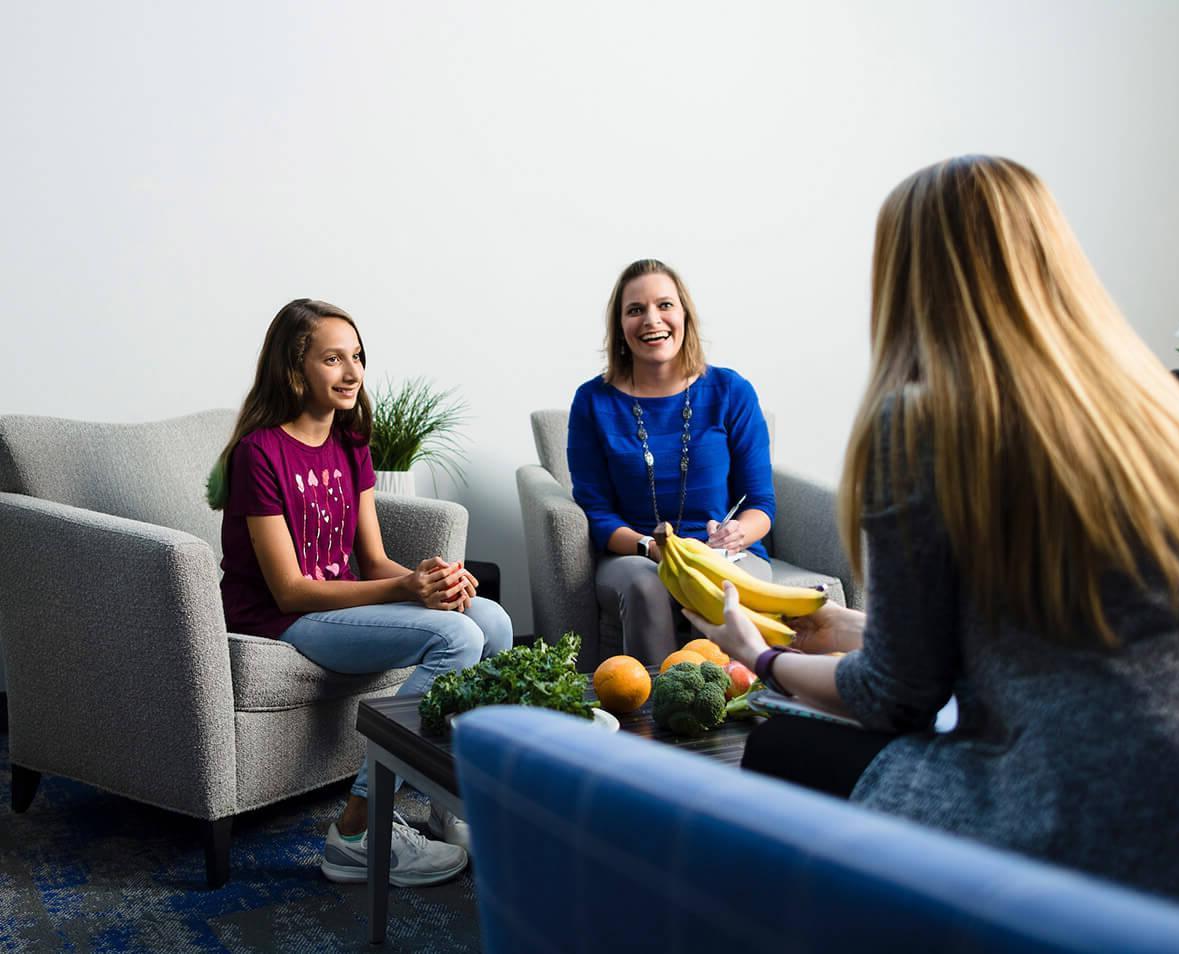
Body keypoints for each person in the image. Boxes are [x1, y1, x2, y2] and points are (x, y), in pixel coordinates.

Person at [687, 156, 1179, 923]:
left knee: (776, 749)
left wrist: (760, 656)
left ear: (906, 279)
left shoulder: (924, 425)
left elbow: (898, 700)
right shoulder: (1168, 404)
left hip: (1110, 825)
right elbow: (1067, 629)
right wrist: (851, 628)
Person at [208, 298, 512, 887]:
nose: (352, 374)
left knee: (492, 621)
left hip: (335, 603)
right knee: (455, 637)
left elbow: (371, 559)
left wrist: (432, 581)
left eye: (358, 358)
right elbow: (290, 589)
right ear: (294, 370)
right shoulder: (259, 454)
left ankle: (441, 803)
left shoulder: (351, 446)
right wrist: (404, 589)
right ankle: (356, 826)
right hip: (278, 617)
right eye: (332, 359)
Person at [567, 259, 776, 663]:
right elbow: (597, 513)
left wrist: (737, 533)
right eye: (635, 310)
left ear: (684, 315)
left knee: (719, 587)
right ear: (620, 327)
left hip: (723, 554)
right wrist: (652, 548)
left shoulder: (731, 390)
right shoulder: (593, 401)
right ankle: (652, 713)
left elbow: (761, 504)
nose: (651, 320)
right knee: (646, 586)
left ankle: (728, 714)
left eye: (664, 305)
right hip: (636, 555)